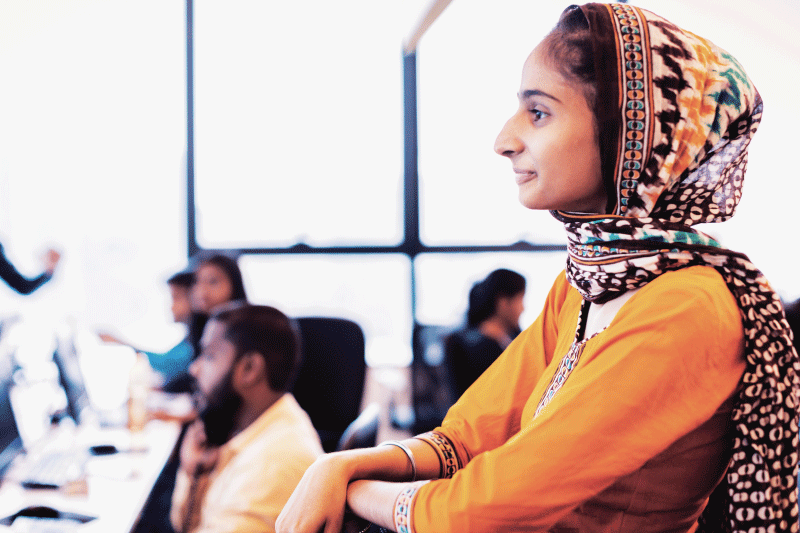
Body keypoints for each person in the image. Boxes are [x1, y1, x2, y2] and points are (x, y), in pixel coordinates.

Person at [276, 4, 799, 533]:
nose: (504, 140)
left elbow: (484, 509)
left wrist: (351, 489)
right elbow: (470, 435)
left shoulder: (687, 306)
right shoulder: (586, 283)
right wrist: (338, 464)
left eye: (539, 113)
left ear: (631, 139)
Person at [170, 303, 323, 533]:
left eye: (210, 356)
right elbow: (187, 525)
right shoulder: (253, 431)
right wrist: (194, 474)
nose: (195, 369)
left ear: (250, 369)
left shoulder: (272, 463)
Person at [99, 270, 195, 385]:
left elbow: (166, 362)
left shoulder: (198, 337)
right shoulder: (189, 335)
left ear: (195, 296)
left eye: (176, 298)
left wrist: (118, 341)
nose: (171, 307)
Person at [446, 268, 526, 397]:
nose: (523, 308)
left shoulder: (514, 338)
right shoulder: (472, 346)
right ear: (503, 302)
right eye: (520, 299)